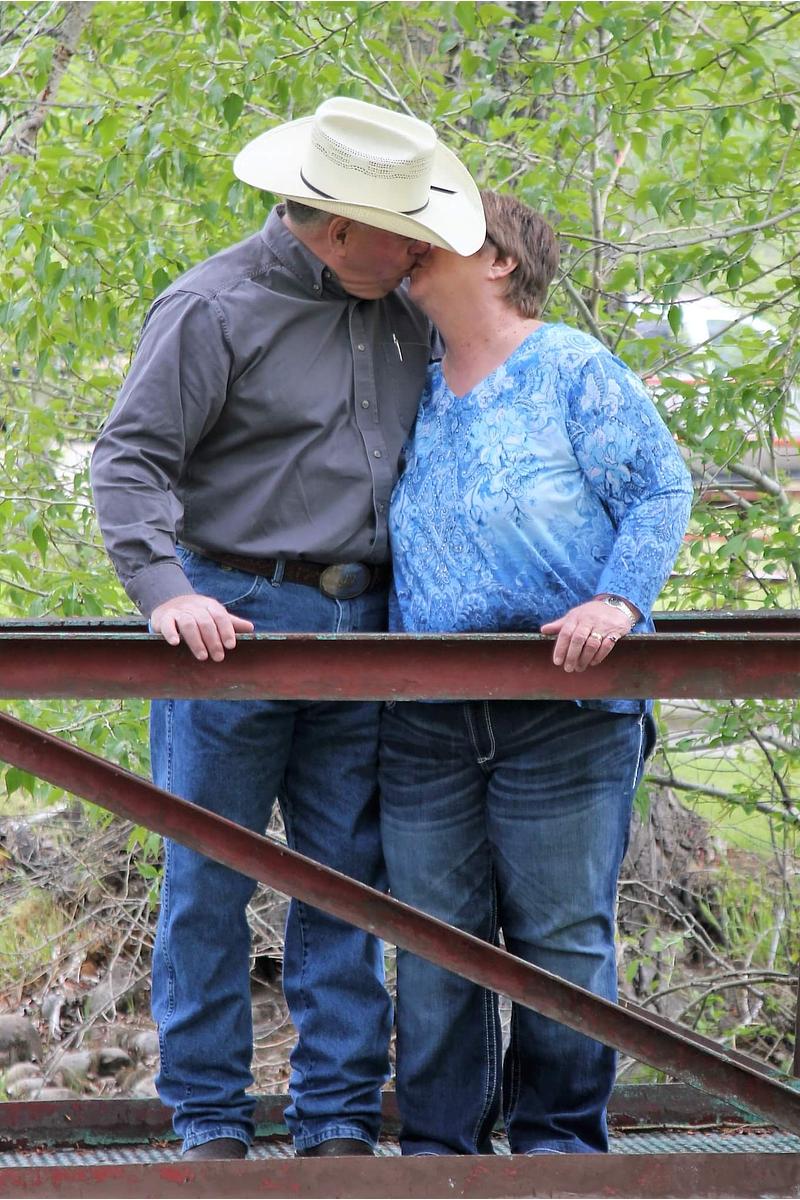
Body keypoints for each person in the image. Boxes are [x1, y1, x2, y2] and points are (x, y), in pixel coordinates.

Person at [90, 96, 485, 1161]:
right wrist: (164, 591)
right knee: (206, 879)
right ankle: (210, 1122)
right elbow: (130, 460)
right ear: (339, 226)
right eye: (402, 231)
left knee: (348, 876)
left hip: (374, 627)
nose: (419, 249)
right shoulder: (212, 307)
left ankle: (337, 1120)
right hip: (235, 619)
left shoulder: (406, 313)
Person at [379, 191, 693, 1156]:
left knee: (560, 939)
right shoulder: (412, 381)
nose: (413, 249)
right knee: (431, 942)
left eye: (437, 237)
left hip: (564, 705)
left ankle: (557, 1149)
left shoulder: (569, 367)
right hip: (426, 712)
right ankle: (441, 1154)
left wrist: (618, 602)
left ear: (500, 260)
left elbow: (660, 489)